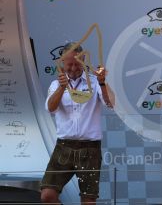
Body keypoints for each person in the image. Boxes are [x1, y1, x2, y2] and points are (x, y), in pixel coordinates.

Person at [40, 42, 115, 204]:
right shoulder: (55, 84)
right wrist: (62, 87)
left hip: (90, 149)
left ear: (83, 62)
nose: (73, 68)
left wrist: (103, 83)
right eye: (69, 64)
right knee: (47, 195)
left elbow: (111, 103)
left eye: (77, 64)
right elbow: (51, 109)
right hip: (63, 147)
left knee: (88, 201)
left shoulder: (95, 82)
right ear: (62, 63)